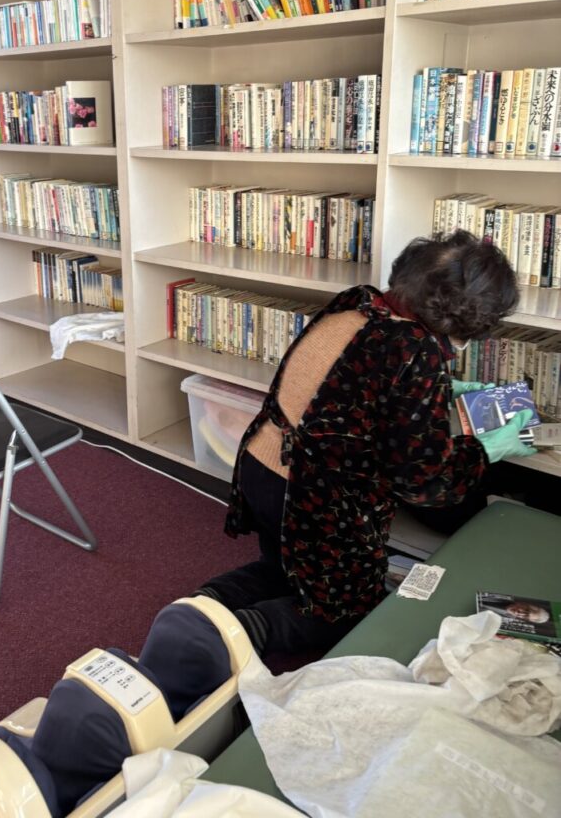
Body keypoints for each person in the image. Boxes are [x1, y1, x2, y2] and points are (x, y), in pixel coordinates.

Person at [195, 230, 535, 658]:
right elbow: (423, 482)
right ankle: (230, 640)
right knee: (343, 611)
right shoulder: (416, 350)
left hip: (261, 467)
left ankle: (198, 609)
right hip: (311, 499)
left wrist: (439, 391)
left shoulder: (358, 303)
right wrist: (490, 447)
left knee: (282, 570)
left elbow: (348, 383)